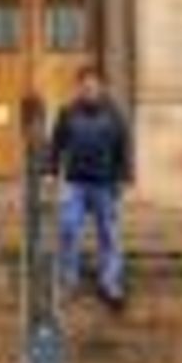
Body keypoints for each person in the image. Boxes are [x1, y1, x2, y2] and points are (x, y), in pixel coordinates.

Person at [48, 65, 134, 309]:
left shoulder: (114, 114)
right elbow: (57, 145)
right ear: (79, 87)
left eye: (93, 84)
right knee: (68, 229)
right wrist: (52, 172)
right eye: (84, 84)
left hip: (105, 184)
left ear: (102, 87)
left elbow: (123, 147)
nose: (89, 88)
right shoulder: (67, 113)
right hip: (75, 183)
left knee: (109, 234)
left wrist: (123, 177)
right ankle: (69, 280)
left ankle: (110, 283)